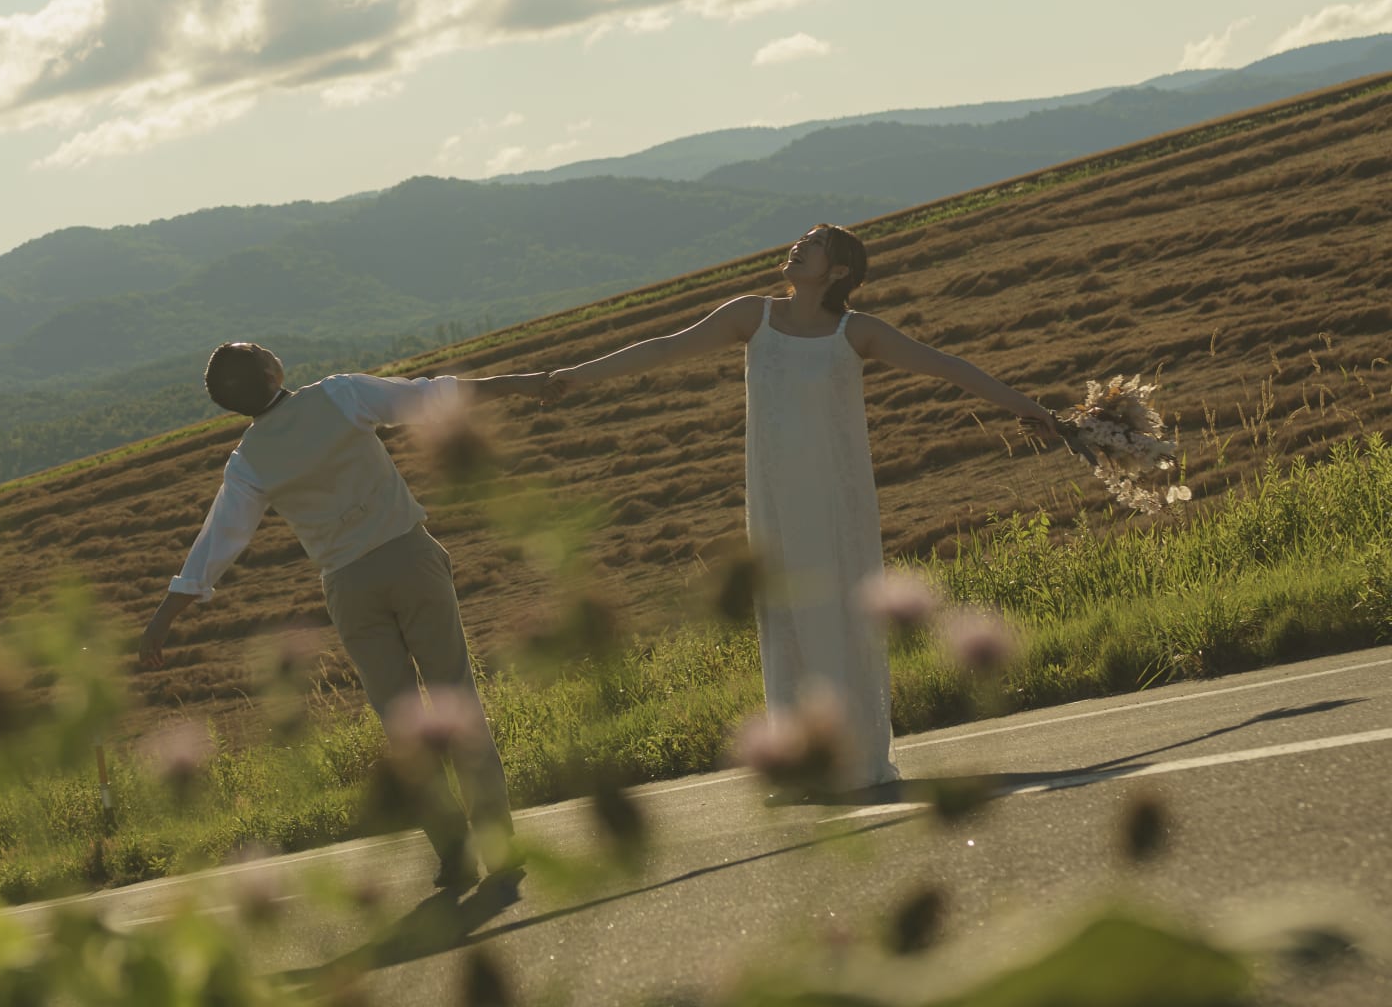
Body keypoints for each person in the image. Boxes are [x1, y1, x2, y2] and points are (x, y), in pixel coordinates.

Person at [547, 225, 1058, 794]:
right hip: (775, 501)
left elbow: (946, 366)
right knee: (787, 620)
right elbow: (666, 347)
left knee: (838, 616)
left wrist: (1029, 407)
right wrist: (577, 375)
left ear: (838, 272)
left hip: (837, 500)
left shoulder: (854, 331)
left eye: (814, 245)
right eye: (802, 239)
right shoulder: (753, 316)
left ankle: (853, 756)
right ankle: (802, 762)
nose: (798, 246)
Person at [138, 342, 551, 887]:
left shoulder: (248, 461)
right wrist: (518, 382)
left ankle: (452, 852)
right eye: (261, 350)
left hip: (349, 587)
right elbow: (432, 397)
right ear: (272, 371)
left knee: (403, 724)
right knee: (456, 697)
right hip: (408, 556)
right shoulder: (340, 394)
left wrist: (164, 616)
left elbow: (218, 541)